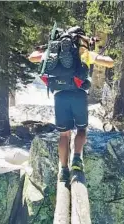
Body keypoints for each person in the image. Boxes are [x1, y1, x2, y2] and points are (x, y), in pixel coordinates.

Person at [29, 26, 114, 182]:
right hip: (79, 95)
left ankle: (63, 170)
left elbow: (32, 57)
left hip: (60, 95)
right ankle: (76, 159)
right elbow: (109, 62)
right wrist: (92, 51)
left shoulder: (55, 54)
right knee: (81, 130)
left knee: (64, 134)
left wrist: (46, 48)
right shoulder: (83, 53)